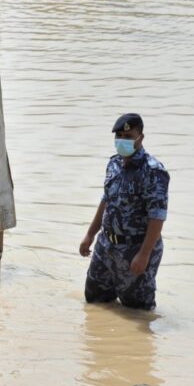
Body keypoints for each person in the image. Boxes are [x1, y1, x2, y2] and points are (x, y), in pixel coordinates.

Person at [80, 113, 170, 310]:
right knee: (95, 301)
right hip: (106, 247)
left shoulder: (153, 171)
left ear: (140, 138)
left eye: (128, 137)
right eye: (119, 136)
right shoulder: (114, 164)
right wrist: (90, 234)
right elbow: (106, 200)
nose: (122, 141)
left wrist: (144, 254)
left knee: (136, 312)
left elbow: (157, 217)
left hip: (135, 249)